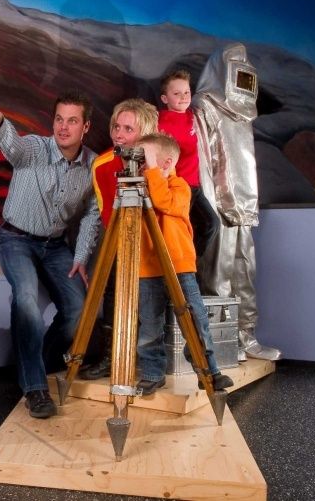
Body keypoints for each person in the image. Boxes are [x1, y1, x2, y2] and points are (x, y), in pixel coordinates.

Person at [0, 92, 101, 418]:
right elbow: (12, 146)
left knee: (79, 311)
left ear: (85, 127)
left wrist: (80, 257)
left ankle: (34, 364)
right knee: (26, 297)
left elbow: (91, 214)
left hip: (55, 246)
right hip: (14, 239)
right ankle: (35, 389)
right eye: (59, 119)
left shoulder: (93, 166)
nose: (63, 127)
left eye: (72, 121)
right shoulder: (35, 149)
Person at [192, 43, 281, 361]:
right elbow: (203, 163)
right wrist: (210, 206)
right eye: (236, 73)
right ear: (221, 72)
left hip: (244, 205)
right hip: (219, 205)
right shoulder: (204, 107)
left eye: (247, 76)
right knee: (218, 275)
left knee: (245, 272)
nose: (243, 81)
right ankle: (221, 342)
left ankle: (246, 336)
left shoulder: (245, 114)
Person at [130, 132, 234, 394]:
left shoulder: (180, 187)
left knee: (195, 319)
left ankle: (208, 369)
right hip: (148, 268)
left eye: (145, 160)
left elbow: (164, 202)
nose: (141, 166)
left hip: (179, 267)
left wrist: (152, 171)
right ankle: (153, 372)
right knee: (150, 325)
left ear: (164, 163)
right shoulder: (138, 190)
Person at [79, 98, 158, 380]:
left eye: (128, 129)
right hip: (117, 238)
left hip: (151, 241)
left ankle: (151, 362)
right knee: (111, 295)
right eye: (116, 126)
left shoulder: (157, 164)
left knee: (151, 301)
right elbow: (104, 212)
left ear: (145, 134)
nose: (119, 134)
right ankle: (111, 357)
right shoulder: (101, 165)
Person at [157, 70, 219, 257]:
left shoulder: (195, 117)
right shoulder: (158, 121)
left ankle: (192, 265)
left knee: (211, 224)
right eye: (176, 94)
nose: (183, 97)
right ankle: (177, 273)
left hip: (195, 186)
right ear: (165, 98)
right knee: (178, 233)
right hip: (176, 188)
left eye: (187, 92)